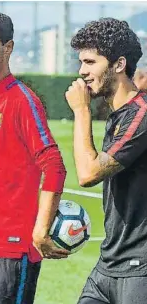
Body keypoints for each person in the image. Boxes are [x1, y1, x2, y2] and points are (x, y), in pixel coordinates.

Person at [0, 11, 69, 304]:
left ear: (7, 48)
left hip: (13, 248)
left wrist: (40, 230)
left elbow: (54, 166)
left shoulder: (22, 100)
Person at [66, 18, 147, 304]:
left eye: (90, 62)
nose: (82, 72)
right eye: (81, 63)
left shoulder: (141, 114)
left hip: (139, 270)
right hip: (108, 265)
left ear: (119, 64)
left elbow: (88, 173)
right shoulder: (119, 115)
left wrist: (81, 111)